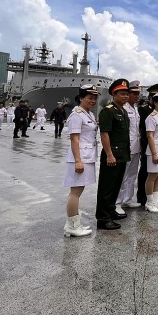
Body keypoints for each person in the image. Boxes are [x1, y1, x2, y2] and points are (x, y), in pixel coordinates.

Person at [63, 84, 100, 238]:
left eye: (95, 98)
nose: (93, 101)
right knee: (75, 193)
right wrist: (78, 161)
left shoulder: (88, 114)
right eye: (89, 98)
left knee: (79, 191)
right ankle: (72, 226)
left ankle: (73, 224)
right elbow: (74, 139)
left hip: (86, 156)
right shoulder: (77, 115)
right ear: (81, 98)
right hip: (80, 158)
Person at [95, 79, 131, 230]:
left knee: (116, 185)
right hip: (112, 155)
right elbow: (104, 134)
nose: (125, 96)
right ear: (113, 94)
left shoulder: (123, 111)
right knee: (107, 187)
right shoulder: (108, 111)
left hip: (122, 154)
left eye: (126, 94)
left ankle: (111, 211)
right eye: (122, 94)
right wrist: (109, 154)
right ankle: (103, 218)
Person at [115, 80, 143, 213]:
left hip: (136, 147)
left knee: (132, 174)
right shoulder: (123, 108)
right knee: (122, 175)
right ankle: (117, 202)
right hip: (126, 147)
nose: (137, 96)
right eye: (134, 93)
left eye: (138, 93)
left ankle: (128, 199)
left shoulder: (135, 109)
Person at [138, 83, 158, 206]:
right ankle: (143, 196)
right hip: (146, 143)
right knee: (145, 171)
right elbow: (145, 130)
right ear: (151, 99)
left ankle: (154, 197)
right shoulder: (144, 110)